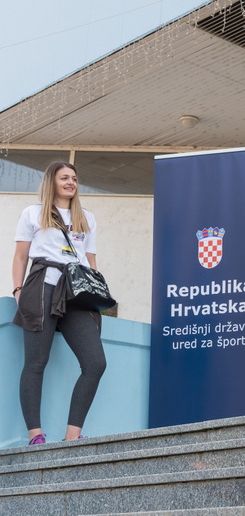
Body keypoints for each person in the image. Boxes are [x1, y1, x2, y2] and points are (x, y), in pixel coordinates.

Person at [12, 161, 107, 445]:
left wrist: (95, 294)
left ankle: (72, 436)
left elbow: (90, 260)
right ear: (51, 181)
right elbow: (20, 256)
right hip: (42, 285)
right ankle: (35, 435)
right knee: (36, 363)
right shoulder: (33, 213)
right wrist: (18, 290)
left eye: (74, 178)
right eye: (64, 177)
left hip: (75, 293)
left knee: (95, 363)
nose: (71, 183)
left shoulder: (86, 218)